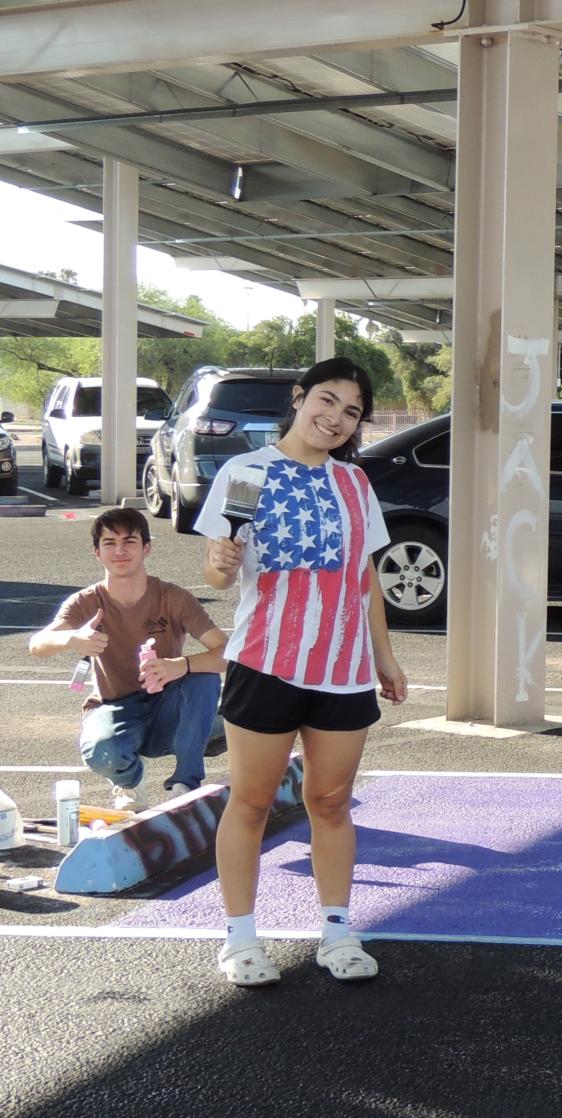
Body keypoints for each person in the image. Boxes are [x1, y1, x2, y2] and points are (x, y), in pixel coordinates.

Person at [197, 357, 408, 988]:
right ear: (299, 397)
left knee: (331, 800)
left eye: (351, 411)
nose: (336, 418)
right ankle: (239, 940)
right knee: (254, 801)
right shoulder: (244, 472)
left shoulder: (356, 486)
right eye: (327, 400)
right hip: (265, 664)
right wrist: (218, 558)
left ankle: (338, 932)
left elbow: (365, 579)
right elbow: (219, 572)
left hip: (343, 671)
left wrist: (385, 657)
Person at [27, 506, 226, 809]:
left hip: (167, 707)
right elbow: (37, 644)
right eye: (110, 543)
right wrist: (72, 638)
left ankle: (185, 785)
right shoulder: (86, 602)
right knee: (101, 751)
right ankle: (130, 784)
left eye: (129, 542)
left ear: (146, 548)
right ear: (97, 552)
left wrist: (179, 665)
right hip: (115, 707)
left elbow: (227, 653)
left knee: (207, 681)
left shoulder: (173, 597)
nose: (119, 551)